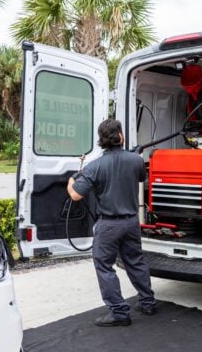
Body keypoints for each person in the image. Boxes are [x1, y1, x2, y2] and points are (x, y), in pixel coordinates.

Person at [67, 119, 157, 327]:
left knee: (104, 265)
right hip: (131, 223)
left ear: (101, 140)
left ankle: (119, 311)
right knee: (135, 261)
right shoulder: (135, 161)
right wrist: (134, 156)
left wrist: (72, 179)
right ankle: (147, 302)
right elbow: (140, 176)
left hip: (108, 225)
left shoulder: (94, 166)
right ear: (120, 136)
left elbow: (75, 195)